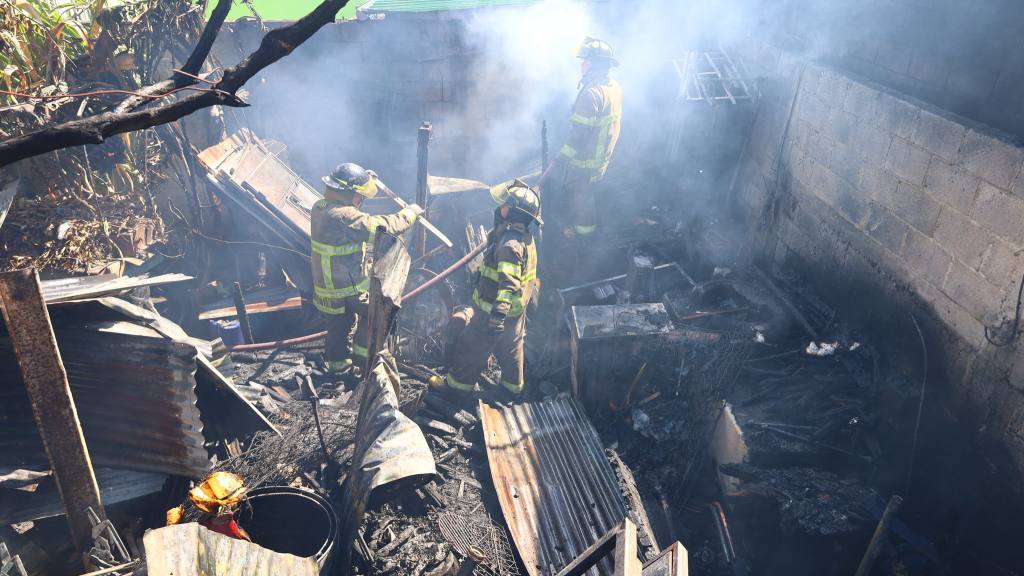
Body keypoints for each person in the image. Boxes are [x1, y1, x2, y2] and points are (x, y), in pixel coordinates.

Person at [311, 163, 422, 373]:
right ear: (347, 193)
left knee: (337, 329)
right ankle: (363, 363)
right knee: (375, 315)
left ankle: (338, 369)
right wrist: (410, 214)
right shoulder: (343, 216)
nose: (361, 200)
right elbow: (382, 227)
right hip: (345, 288)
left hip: (326, 286)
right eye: (359, 195)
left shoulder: (321, 206)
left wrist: (364, 180)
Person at [444, 180, 541, 397]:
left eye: (505, 205)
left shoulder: (509, 246)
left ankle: (456, 388)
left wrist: (496, 317)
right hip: (516, 310)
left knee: (470, 346)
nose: (500, 208)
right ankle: (512, 389)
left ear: (513, 213)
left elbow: (508, 285)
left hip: (493, 311)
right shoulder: (526, 238)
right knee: (512, 348)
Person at [541, 36, 623, 240]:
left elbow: (578, 137)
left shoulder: (591, 93)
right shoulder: (613, 87)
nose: (581, 64)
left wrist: (561, 158)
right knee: (590, 195)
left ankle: (582, 239)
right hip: (603, 157)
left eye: (584, 60)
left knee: (580, 199)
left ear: (594, 63)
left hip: (585, 162)